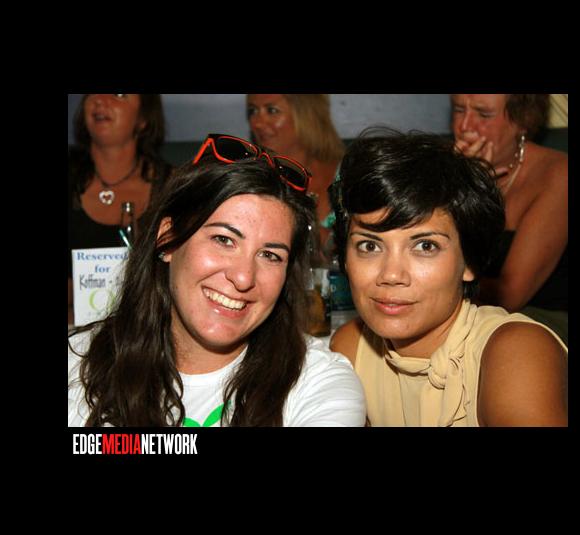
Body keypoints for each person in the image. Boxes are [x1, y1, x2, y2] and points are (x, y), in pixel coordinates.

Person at [68, 133, 366, 427]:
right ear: (168, 239)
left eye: (270, 255)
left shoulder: (319, 386)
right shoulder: (77, 364)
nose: (243, 277)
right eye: (223, 239)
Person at [329, 130, 567, 427]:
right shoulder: (352, 348)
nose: (391, 274)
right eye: (370, 246)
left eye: (425, 246)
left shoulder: (517, 350)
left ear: (469, 261)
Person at [451, 94, 568, 344]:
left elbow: (509, 296)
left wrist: (473, 199)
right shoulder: (446, 163)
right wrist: (456, 184)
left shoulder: (558, 175)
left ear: (522, 121)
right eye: (459, 109)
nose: (465, 126)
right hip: (460, 309)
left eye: (484, 114)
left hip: (537, 319)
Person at [68, 94, 173, 325]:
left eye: (119, 94)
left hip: (147, 328)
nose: (101, 100)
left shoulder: (171, 185)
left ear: (143, 118)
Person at [246, 94, 345, 261]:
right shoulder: (252, 179)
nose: (257, 123)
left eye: (272, 110)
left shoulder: (350, 173)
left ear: (306, 114)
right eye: (253, 111)